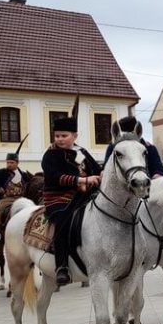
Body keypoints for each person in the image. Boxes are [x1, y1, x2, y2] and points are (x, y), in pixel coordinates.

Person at [42, 113, 102, 286]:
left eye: (64, 135)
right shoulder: (51, 155)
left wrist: (103, 174)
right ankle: (62, 266)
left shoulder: (81, 151)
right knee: (63, 221)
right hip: (59, 198)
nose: (60, 139)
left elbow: (96, 169)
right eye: (57, 136)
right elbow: (56, 177)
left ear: (75, 136)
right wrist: (82, 180)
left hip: (85, 195)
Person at [0, 136, 30, 245]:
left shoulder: (24, 175)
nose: (9, 164)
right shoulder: (1, 173)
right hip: (7, 199)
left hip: (22, 199)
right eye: (8, 162)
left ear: (17, 163)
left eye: (11, 162)